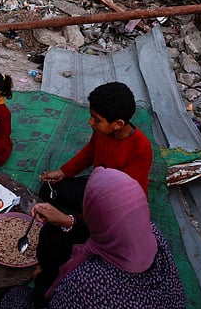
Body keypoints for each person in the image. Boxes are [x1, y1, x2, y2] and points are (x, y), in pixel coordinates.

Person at [0, 167, 186, 309]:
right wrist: (66, 220)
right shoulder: (155, 238)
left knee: (1, 302)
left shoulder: (89, 283)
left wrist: (43, 282)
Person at [38, 82, 153, 212]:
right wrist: (63, 172)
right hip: (97, 187)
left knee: (89, 220)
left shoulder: (140, 148)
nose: (90, 122)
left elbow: (126, 192)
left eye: (96, 119)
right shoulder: (102, 132)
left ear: (118, 124)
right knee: (48, 190)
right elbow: (90, 152)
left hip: (119, 202)